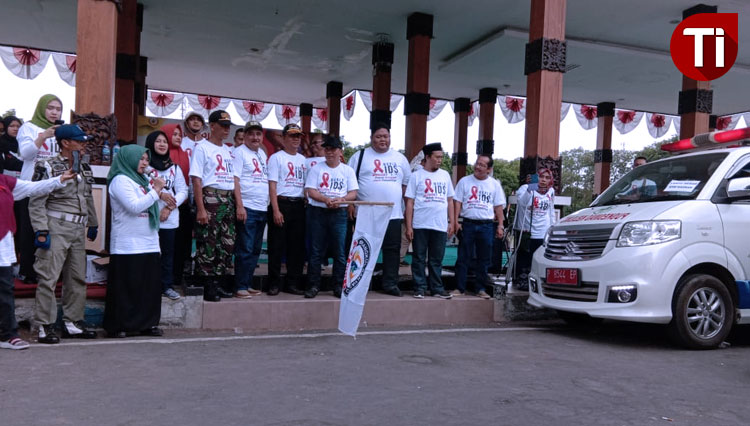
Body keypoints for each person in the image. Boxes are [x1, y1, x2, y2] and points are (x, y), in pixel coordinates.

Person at [29, 125, 100, 343]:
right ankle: (45, 325)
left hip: (78, 228)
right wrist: (41, 229)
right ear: (65, 143)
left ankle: (73, 322)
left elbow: (87, 197)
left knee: (77, 277)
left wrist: (93, 222)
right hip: (56, 225)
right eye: (80, 140)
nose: (84, 144)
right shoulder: (48, 165)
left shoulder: (84, 166)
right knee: (48, 277)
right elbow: (36, 199)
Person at [1, 168, 75, 349]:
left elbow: (32, 188)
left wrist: (58, 180)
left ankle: (7, 335)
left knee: (4, 290)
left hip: (2, 244)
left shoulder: (4, 182)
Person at [104, 145, 165, 338]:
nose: (145, 163)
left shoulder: (143, 180)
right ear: (129, 159)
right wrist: (156, 191)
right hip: (127, 244)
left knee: (148, 286)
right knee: (126, 288)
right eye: (141, 159)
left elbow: (151, 204)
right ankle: (120, 325)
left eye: (147, 159)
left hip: (148, 241)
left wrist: (157, 192)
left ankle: (147, 323)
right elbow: (133, 206)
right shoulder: (120, 180)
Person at [347, 123, 411, 296]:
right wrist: (350, 205)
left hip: (393, 214)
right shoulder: (359, 156)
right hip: (367, 213)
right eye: (379, 136)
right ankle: (361, 284)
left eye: (386, 136)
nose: (383, 139)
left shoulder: (400, 159)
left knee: (392, 250)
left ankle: (390, 284)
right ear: (371, 139)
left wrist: (407, 211)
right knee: (365, 248)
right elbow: (350, 183)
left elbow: (406, 187)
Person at [304, 135, 358, 299]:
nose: (329, 153)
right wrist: (325, 199)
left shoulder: (347, 170)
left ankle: (338, 285)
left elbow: (353, 193)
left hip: (339, 213)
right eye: (326, 149)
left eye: (333, 149)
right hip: (318, 212)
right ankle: (313, 285)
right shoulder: (317, 168)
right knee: (316, 251)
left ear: (339, 151)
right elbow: (311, 191)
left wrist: (342, 200)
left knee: (340, 252)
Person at [16, 95, 63, 284]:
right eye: (50, 108)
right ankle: (28, 271)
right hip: (32, 187)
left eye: (58, 109)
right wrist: (43, 136)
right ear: (41, 108)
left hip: (54, 188)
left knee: (52, 230)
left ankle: (50, 271)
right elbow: (25, 154)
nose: (54, 112)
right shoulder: (29, 127)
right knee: (30, 231)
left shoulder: (61, 131)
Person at [190, 110, 236, 301]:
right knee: (209, 242)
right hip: (211, 197)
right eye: (222, 125)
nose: (226, 130)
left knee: (227, 243)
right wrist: (201, 208)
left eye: (228, 126)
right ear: (212, 126)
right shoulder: (202, 148)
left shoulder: (227, 150)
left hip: (228, 198)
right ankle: (207, 285)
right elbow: (196, 179)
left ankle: (218, 282)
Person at [404, 143, 455, 299]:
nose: (440, 160)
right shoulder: (416, 176)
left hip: (439, 225)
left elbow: (450, 200)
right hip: (420, 224)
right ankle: (419, 287)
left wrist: (452, 222)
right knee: (419, 257)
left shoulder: (445, 175)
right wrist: (409, 226)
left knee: (436, 259)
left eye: (441, 157)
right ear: (427, 157)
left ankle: (437, 288)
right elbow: (410, 202)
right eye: (437, 157)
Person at [453, 154, 506, 298]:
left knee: (484, 258)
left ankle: (480, 289)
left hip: (486, 226)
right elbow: (457, 202)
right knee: (463, 257)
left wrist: (500, 225)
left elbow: (498, 206)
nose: (478, 167)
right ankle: (459, 288)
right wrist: (455, 221)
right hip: (468, 224)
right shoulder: (464, 181)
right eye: (477, 163)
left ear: (489, 169)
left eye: (482, 165)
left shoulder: (494, 184)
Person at [145, 130, 188, 300]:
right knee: (149, 254)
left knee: (168, 254)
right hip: (149, 218)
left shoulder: (174, 168)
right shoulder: (145, 166)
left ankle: (166, 286)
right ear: (150, 144)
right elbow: (142, 186)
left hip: (169, 219)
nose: (162, 144)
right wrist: (160, 194)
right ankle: (149, 286)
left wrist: (169, 207)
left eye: (164, 141)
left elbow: (184, 190)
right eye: (158, 141)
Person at [267, 123, 307, 296]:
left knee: (296, 248)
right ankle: (274, 283)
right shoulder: (277, 158)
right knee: (276, 246)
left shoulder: (303, 160)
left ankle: (292, 282)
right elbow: (272, 186)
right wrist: (276, 210)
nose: (295, 139)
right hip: (281, 204)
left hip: (298, 205)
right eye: (292, 136)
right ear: (283, 138)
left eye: (298, 136)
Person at [232, 121, 268, 298]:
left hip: (262, 207)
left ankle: (248, 282)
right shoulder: (239, 153)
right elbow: (235, 180)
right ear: (245, 136)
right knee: (245, 248)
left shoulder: (261, 153)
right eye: (251, 134)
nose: (255, 137)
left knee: (255, 249)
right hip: (247, 206)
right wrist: (240, 205)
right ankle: (240, 286)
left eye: (258, 134)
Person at [513, 167, 556, 290]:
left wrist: (552, 227)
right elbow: (522, 204)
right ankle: (522, 280)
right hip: (527, 230)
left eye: (547, 178)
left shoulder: (551, 191)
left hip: (543, 231)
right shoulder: (526, 188)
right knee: (525, 258)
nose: (543, 180)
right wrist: (530, 188)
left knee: (539, 258)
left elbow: (550, 210)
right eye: (541, 177)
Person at [161, 123, 192, 288]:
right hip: (163, 206)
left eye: (179, 135)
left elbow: (186, 182)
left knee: (182, 244)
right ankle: (164, 279)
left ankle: (177, 277)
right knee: (166, 245)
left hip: (183, 204)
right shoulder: (161, 156)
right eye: (174, 134)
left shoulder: (184, 154)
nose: (178, 137)